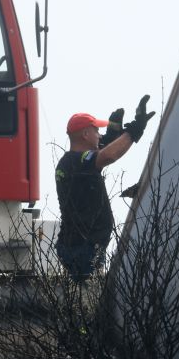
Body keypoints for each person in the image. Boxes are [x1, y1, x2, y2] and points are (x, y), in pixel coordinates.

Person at [55, 95, 155, 281]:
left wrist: (113, 133)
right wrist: (134, 131)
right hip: (81, 248)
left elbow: (99, 152)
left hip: (80, 246)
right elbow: (106, 156)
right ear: (85, 134)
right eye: (97, 131)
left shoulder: (74, 162)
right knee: (87, 299)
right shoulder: (75, 162)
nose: (100, 135)